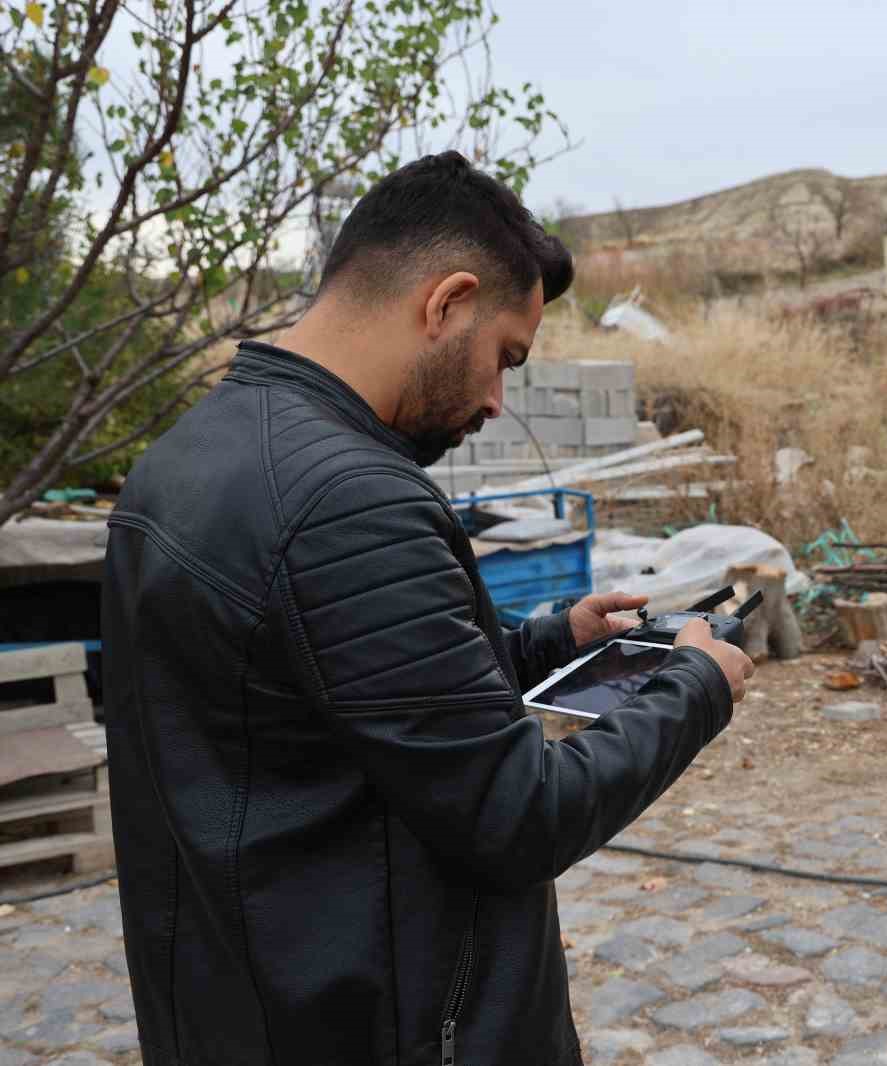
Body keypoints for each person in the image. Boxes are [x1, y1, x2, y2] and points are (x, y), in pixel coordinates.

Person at [101, 151, 755, 1066]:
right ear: (446, 303)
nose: (494, 400)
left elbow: (323, 699)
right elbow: (518, 814)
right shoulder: (349, 498)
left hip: (246, 1006)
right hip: (384, 1025)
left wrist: (542, 644)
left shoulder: (188, 454)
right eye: (504, 358)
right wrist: (696, 685)